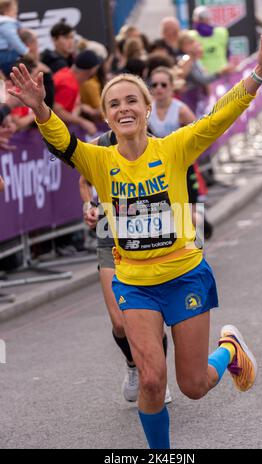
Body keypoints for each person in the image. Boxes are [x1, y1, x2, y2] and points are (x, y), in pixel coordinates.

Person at [9, 24, 262, 449]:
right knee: (152, 380)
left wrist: (259, 74)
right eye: (114, 104)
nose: (123, 109)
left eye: (131, 101)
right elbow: (62, 141)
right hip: (136, 284)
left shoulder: (174, 147)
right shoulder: (99, 160)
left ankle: (229, 352)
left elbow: (219, 117)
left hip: (184, 276)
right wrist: (40, 109)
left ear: (146, 108)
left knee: (195, 385)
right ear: (106, 116)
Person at [79, 131, 172, 404]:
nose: (123, 111)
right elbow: (83, 181)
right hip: (110, 236)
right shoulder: (101, 144)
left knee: (150, 320)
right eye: (115, 104)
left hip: (145, 239)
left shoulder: (156, 144)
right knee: (120, 323)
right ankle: (134, 364)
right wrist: (89, 205)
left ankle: (156, 376)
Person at [148, 66, 211, 241]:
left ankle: (198, 250)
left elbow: (199, 134)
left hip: (183, 167)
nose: (159, 88)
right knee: (170, 216)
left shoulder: (180, 110)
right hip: (159, 170)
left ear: (171, 87)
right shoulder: (147, 111)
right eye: (155, 85)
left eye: (163, 84)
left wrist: (189, 154)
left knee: (188, 216)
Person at [53, 50, 101, 135]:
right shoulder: (69, 85)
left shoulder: (65, 71)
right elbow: (57, 111)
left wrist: (81, 107)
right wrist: (82, 122)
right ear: (92, 71)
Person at [189, 5, 230, 74]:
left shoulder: (221, 32)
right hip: (205, 75)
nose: (203, 21)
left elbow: (227, 52)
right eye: (201, 19)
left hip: (222, 73)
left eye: (204, 18)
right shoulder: (191, 36)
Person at [0, 0, 28, 76]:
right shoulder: (6, 23)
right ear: (5, 11)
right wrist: (26, 52)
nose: (16, 13)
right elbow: (14, 41)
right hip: (5, 56)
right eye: (14, 11)